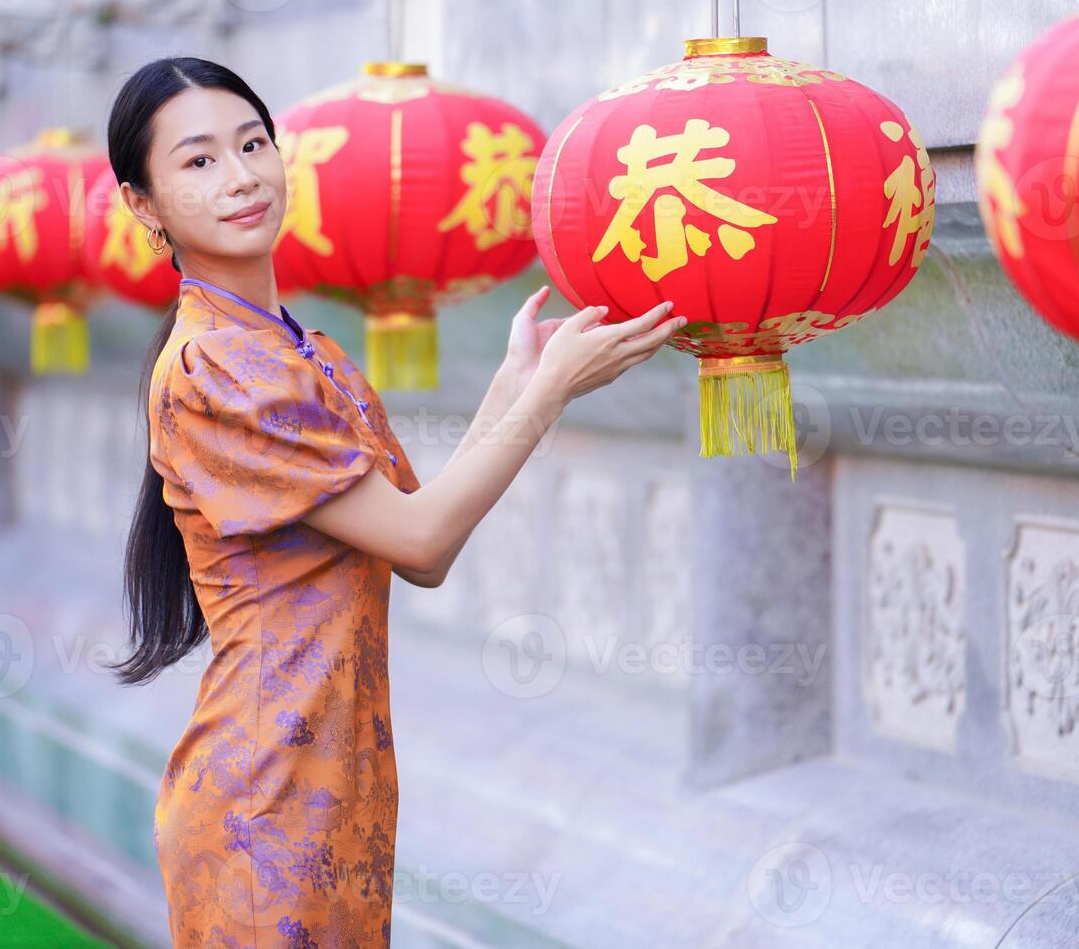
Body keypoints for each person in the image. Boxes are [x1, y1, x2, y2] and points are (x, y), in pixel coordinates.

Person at [105, 56, 683, 947]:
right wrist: (549, 397)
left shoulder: (306, 351)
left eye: (253, 143)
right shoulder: (221, 365)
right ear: (143, 204)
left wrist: (513, 383)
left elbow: (426, 549)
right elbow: (417, 540)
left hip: (336, 785)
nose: (242, 176)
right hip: (265, 800)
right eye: (199, 161)